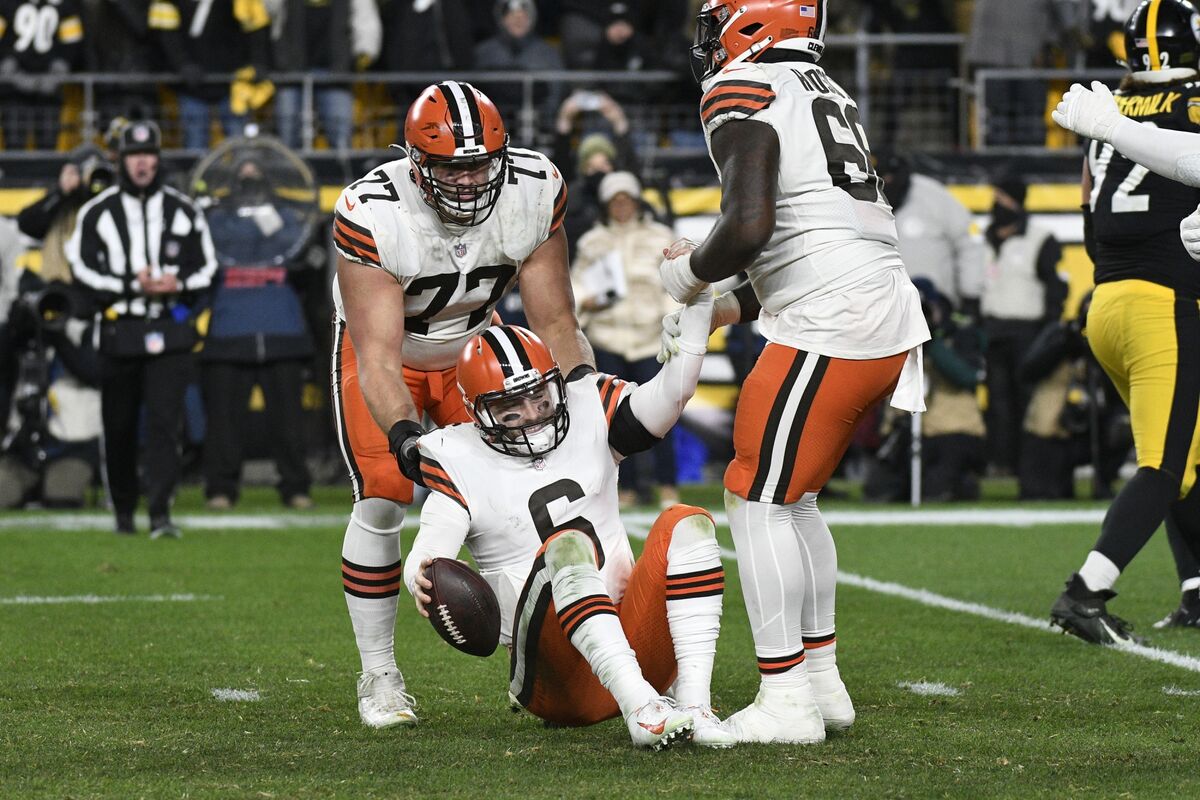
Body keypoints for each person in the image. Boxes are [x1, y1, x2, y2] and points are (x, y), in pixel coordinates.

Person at [660, 0, 929, 744]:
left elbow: (749, 227)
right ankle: (819, 681)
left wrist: (689, 277)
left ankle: (785, 699)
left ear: (751, 25)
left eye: (716, 26)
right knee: (796, 498)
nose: (708, 45)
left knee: (755, 497)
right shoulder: (825, 89)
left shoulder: (745, 88)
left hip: (832, 319)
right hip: (876, 309)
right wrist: (729, 308)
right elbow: (819, 232)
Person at [331, 80, 593, 729]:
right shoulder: (372, 210)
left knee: (530, 490)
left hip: (480, 354)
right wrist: (402, 435)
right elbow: (379, 356)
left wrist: (589, 397)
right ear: (418, 164)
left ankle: (544, 661)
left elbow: (556, 322)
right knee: (384, 495)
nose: (470, 181)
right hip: (389, 358)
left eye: (479, 164)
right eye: (452, 166)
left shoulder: (533, 189)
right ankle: (379, 674)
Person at [403, 310, 735, 749]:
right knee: (566, 544)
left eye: (540, 398)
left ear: (556, 382)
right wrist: (422, 576)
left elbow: (671, 395)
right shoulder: (455, 455)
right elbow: (428, 553)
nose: (534, 416)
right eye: (510, 409)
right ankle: (642, 709)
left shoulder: (587, 404)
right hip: (555, 681)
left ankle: (694, 704)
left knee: (687, 520)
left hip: (635, 640)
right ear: (474, 411)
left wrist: (694, 327)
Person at [1046, 0, 1200, 645]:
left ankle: (1196, 590)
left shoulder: (1107, 108)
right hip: (1165, 302)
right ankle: (1086, 593)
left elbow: (1089, 214)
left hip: (1107, 299)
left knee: (1186, 457)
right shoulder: (1191, 103)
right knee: (1165, 462)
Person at [66, 120, 218, 538]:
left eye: (148, 154)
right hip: (119, 330)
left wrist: (177, 285)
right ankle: (123, 511)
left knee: (166, 425)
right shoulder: (97, 212)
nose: (142, 163)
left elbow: (207, 267)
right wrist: (130, 285)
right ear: (120, 160)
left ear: (158, 158)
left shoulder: (183, 209)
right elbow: (81, 268)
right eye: (134, 155)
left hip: (169, 330)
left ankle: (160, 514)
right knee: (118, 425)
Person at [200, 155, 315, 510]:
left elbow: (298, 250)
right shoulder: (216, 219)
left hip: (281, 328)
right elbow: (212, 250)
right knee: (224, 422)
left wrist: (268, 218)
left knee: (289, 423)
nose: (250, 183)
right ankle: (221, 488)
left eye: (256, 177)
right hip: (229, 328)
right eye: (244, 177)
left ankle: (296, 487)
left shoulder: (284, 217)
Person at [574, 170, 680, 508]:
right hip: (608, 337)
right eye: (615, 201)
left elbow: (675, 284)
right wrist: (586, 300)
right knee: (615, 418)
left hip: (652, 339)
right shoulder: (593, 242)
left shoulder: (661, 236)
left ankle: (667, 485)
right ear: (606, 205)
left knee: (664, 413)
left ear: (636, 201)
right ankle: (626, 487)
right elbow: (576, 287)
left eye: (627, 199)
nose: (621, 206)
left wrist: (671, 319)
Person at [979, 176, 1068, 475]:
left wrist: (1047, 331)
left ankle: (1027, 464)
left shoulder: (1040, 239)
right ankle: (1002, 461)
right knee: (998, 402)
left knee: (1026, 400)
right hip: (994, 330)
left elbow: (1056, 289)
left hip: (1027, 331)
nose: (997, 204)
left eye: (1002, 197)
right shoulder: (987, 237)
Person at [875, 151, 985, 316]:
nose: (886, 183)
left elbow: (969, 239)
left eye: (889, 177)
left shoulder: (932, 196)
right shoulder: (863, 199)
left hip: (935, 308)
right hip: (881, 309)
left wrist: (971, 294)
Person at [270, 0, 382, 151]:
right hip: (291, 73)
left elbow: (366, 22)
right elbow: (268, 12)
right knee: (287, 135)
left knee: (340, 139)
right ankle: (287, 174)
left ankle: (344, 175)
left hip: (336, 74)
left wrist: (360, 55)